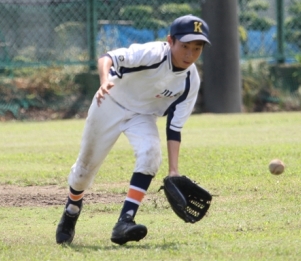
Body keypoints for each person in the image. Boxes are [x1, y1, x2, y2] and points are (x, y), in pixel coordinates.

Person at [56, 15, 210, 245]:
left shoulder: (190, 81)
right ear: (170, 41)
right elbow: (107, 58)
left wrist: (174, 170)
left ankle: (125, 221)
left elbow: (174, 127)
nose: (190, 54)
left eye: (197, 48)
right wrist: (104, 81)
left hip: (143, 116)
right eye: (185, 46)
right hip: (110, 102)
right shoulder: (153, 54)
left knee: (151, 154)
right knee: (83, 173)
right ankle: (72, 209)